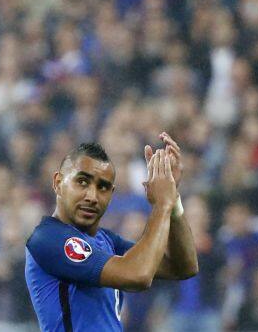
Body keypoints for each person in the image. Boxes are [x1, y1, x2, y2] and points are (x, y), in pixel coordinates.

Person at [25, 133, 198, 331]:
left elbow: (184, 267)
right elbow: (138, 275)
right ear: (58, 182)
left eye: (103, 187)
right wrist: (162, 204)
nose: (92, 196)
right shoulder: (47, 239)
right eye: (82, 182)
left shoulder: (106, 240)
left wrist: (173, 199)